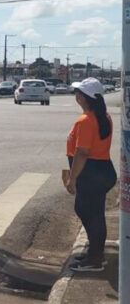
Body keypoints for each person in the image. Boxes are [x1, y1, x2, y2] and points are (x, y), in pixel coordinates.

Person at [66, 78, 117, 272]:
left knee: (86, 211)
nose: (76, 96)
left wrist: (72, 178)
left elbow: (82, 152)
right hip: (102, 170)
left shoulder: (86, 121)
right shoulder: (104, 116)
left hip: (91, 172)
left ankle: (95, 258)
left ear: (87, 98)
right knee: (94, 213)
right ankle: (95, 253)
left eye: (79, 93)